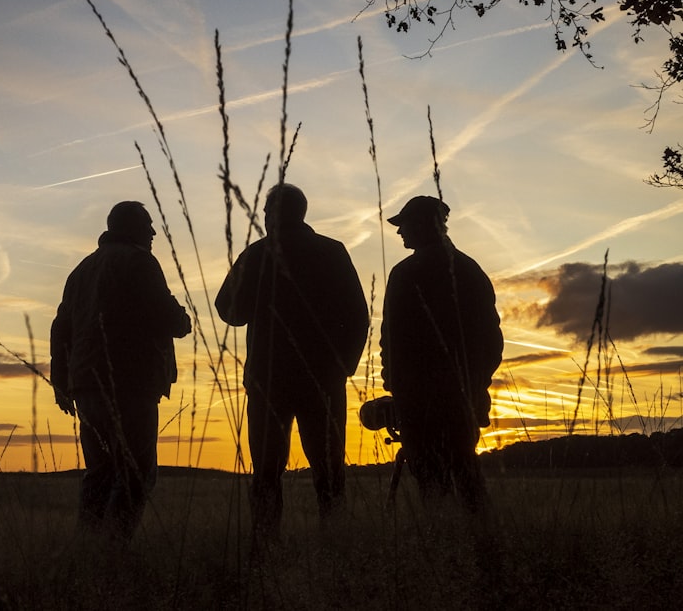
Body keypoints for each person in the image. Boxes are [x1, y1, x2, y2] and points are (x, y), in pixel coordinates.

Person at [215, 183, 369, 536]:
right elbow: (358, 315)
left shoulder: (256, 255)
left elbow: (228, 310)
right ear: (302, 212)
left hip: (269, 380)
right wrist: (342, 367)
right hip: (324, 379)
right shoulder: (332, 252)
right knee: (329, 468)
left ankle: (265, 543)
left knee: (267, 470)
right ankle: (335, 538)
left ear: (270, 215)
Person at [50, 201, 191, 540]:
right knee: (137, 472)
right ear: (131, 228)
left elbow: (61, 328)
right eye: (148, 225)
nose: (154, 232)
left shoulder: (82, 270)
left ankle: (88, 546)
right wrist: (181, 318)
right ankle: (115, 548)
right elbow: (172, 319)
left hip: (86, 384)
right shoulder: (140, 262)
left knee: (99, 472)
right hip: (131, 382)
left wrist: (62, 381)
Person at [379, 195, 503, 512]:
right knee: (467, 473)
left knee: (431, 483)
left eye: (404, 225)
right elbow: (492, 340)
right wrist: (476, 382)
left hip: (418, 400)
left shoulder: (405, 273)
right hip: (461, 394)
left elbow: (391, 338)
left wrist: (395, 384)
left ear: (422, 225)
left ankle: (442, 543)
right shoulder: (469, 270)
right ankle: (481, 541)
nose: (399, 232)